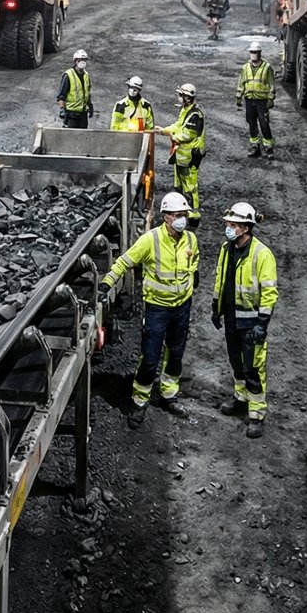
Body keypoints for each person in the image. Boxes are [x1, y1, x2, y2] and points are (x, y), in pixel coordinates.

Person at [100, 191, 200, 428]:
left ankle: (169, 394)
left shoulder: (190, 239)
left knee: (176, 353)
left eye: (184, 215)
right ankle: (140, 401)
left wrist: (194, 274)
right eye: (177, 215)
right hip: (157, 309)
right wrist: (107, 283)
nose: (182, 219)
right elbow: (124, 262)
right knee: (150, 357)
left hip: (182, 307)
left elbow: (194, 260)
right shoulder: (150, 240)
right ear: (166, 216)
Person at [210, 201, 278, 438]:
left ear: (246, 228)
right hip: (232, 318)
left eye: (233, 225)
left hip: (251, 323)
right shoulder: (226, 248)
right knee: (236, 363)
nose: (228, 228)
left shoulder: (262, 254)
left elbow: (269, 292)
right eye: (228, 224)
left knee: (253, 369)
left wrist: (262, 324)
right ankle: (240, 399)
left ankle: (257, 415)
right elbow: (221, 279)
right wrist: (216, 308)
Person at [156, 83, 206, 224]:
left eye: (181, 95)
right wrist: (164, 131)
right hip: (182, 156)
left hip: (191, 156)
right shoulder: (186, 110)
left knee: (190, 186)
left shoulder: (195, 115)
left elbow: (187, 134)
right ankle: (180, 209)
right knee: (179, 184)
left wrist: (172, 136)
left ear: (187, 97)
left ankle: (193, 215)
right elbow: (178, 125)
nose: (179, 97)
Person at [236, 42, 277, 158]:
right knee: (251, 123)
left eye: (256, 52)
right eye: (252, 52)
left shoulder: (267, 67)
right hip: (249, 100)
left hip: (262, 101)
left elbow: (271, 84)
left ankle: (269, 147)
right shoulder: (245, 68)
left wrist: (270, 99)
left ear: (260, 53)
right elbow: (241, 83)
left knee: (264, 123)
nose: (254, 54)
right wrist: (238, 96)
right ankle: (255, 147)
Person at [56, 48, 94, 128]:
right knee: (70, 134)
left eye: (84, 60)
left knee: (82, 134)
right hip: (71, 115)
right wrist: (62, 109)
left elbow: (87, 93)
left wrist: (90, 106)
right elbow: (61, 95)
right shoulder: (68, 75)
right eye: (80, 59)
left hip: (83, 114)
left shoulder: (86, 75)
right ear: (75, 60)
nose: (82, 62)